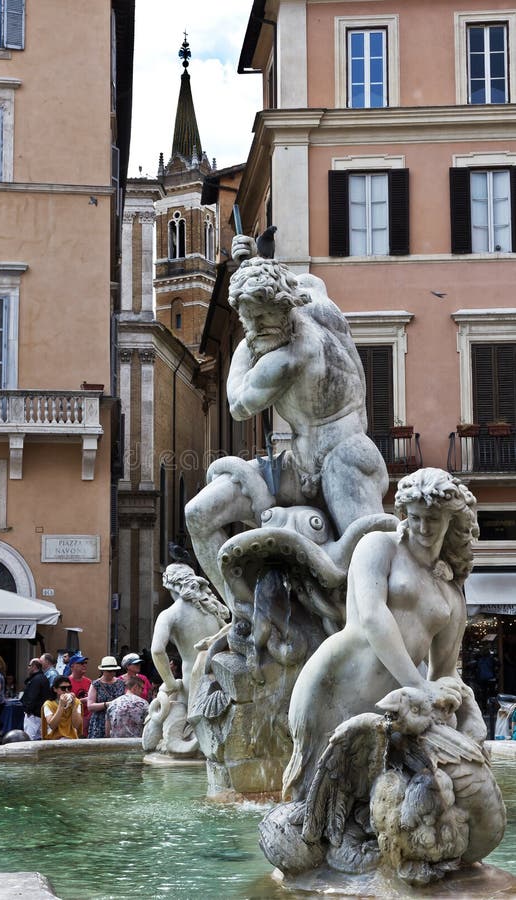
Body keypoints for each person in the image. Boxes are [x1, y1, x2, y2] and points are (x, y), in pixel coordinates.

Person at [185, 237, 394, 599]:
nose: (255, 327)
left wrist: (245, 344)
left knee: (368, 577)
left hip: (345, 459)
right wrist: (257, 262)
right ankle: (244, 615)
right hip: (296, 466)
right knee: (199, 514)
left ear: (285, 308)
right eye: (247, 318)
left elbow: (237, 404)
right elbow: (299, 280)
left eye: (262, 317)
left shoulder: (289, 359)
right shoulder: (315, 298)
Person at [283, 467, 485, 801]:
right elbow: (373, 618)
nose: (423, 527)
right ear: (404, 513)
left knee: (371, 804)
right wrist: (418, 687)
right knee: (309, 797)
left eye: (433, 519)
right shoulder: (379, 546)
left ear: (450, 520)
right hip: (333, 685)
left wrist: (461, 709)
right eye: (416, 516)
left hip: (391, 705)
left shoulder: (450, 593)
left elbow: (445, 672)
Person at [151, 563, 229, 701]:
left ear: (171, 587)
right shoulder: (211, 609)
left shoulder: (169, 614)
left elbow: (157, 650)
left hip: (193, 681)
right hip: (222, 677)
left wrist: (170, 683)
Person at [86, 656, 125, 738]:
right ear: (102, 671)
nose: (112, 673)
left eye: (114, 671)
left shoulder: (121, 683)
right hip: (100, 721)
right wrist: (108, 704)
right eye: (109, 671)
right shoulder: (96, 684)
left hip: (117, 720)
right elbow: (90, 706)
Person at [41, 675, 82, 740]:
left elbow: (76, 725)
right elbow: (52, 725)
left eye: (69, 688)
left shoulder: (76, 702)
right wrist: (61, 706)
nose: (66, 690)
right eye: (63, 688)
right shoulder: (49, 704)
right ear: (55, 689)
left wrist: (74, 706)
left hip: (72, 739)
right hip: (54, 740)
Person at [21, 658, 51, 740]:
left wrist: (27, 711)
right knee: (40, 739)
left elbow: (32, 697)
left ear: (34, 666)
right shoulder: (43, 678)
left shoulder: (36, 680)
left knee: (29, 739)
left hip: (33, 715)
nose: (28, 668)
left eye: (29, 665)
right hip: (40, 714)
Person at [68, 653, 92, 736]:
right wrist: (85, 700)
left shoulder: (89, 682)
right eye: (81, 663)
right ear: (72, 666)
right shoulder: (66, 683)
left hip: (88, 721)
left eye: (85, 663)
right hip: (72, 721)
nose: (84, 665)